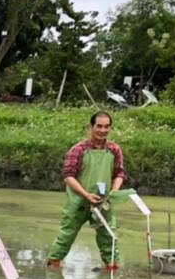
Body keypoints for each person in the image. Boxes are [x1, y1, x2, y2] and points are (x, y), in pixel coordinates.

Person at [48, 111, 126, 270]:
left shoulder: (114, 149)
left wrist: (114, 190)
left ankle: (111, 269)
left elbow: (119, 173)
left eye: (107, 127)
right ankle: (53, 266)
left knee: (108, 237)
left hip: (103, 202)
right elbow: (68, 176)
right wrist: (85, 194)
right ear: (90, 127)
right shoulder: (78, 149)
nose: (103, 130)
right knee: (66, 235)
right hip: (79, 201)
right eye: (99, 126)